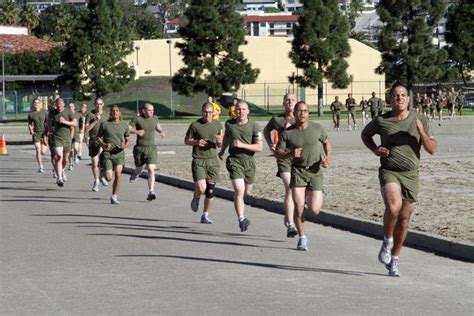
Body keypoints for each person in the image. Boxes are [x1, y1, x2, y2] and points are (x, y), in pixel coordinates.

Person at [361, 83, 437, 277]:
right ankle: (387, 240)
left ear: (409, 99)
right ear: (390, 99)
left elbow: (432, 149)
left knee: (403, 220)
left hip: (411, 174)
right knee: (393, 207)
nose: (400, 98)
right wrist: (375, 149)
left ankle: (394, 259)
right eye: (396, 95)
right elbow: (365, 135)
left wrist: (421, 133)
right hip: (390, 171)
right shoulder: (382, 120)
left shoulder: (420, 119)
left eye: (403, 95)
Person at [275, 101, 331, 251]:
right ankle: (302, 238)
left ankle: (309, 195)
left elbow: (326, 142)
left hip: (315, 171)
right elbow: (278, 153)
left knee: (314, 210)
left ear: (308, 113)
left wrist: (327, 158)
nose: (302, 113)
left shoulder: (317, 128)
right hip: (298, 171)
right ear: (294, 114)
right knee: (299, 207)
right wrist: (289, 153)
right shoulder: (288, 133)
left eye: (305, 111)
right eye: (299, 111)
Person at [218, 100, 263, 232]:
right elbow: (227, 136)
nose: (241, 112)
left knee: (246, 192)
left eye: (243, 109)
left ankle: (241, 207)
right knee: (239, 190)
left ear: (248, 111)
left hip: (249, 162)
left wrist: (242, 145)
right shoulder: (229, 124)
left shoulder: (254, 126)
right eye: (238, 109)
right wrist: (222, 150)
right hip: (234, 161)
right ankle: (241, 219)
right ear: (234, 111)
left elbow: (259, 147)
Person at [263, 93, 297, 237]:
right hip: (283, 157)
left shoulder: (301, 118)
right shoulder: (277, 119)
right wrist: (271, 144)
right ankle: (290, 224)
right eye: (287, 100)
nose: (290, 102)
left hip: (298, 158)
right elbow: (266, 131)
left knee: (298, 190)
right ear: (283, 102)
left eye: (292, 100)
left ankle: (288, 214)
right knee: (289, 187)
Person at [185, 102, 223, 224]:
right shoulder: (195, 125)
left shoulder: (218, 125)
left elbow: (220, 143)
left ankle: (205, 215)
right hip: (199, 159)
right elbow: (186, 140)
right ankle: (196, 197)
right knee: (202, 188)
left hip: (212, 160)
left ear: (213, 113)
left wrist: (219, 142)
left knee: (210, 191)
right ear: (201, 112)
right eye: (205, 112)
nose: (207, 114)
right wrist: (196, 142)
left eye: (210, 112)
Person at [129, 103, 166, 201]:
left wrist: (161, 131)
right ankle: (136, 173)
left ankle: (151, 191)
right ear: (143, 111)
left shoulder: (155, 118)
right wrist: (136, 131)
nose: (152, 112)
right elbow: (128, 128)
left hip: (151, 148)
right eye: (150, 110)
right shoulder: (137, 119)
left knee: (150, 168)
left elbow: (157, 127)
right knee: (139, 168)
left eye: (153, 110)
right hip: (139, 149)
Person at [96, 105, 130, 204]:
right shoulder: (105, 124)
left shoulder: (124, 125)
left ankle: (114, 196)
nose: (115, 112)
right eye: (113, 111)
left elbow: (128, 139)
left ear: (120, 113)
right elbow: (98, 137)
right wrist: (104, 144)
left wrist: (125, 145)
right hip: (107, 154)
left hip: (119, 153)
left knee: (118, 175)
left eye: (117, 111)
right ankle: (102, 171)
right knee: (109, 178)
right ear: (110, 113)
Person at [47, 98, 77, 187]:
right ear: (55, 105)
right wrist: (49, 128)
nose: (59, 107)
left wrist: (65, 122)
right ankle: (59, 178)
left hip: (67, 138)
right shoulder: (52, 112)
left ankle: (62, 170)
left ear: (64, 104)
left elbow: (75, 124)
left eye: (60, 105)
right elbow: (48, 120)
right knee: (59, 156)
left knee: (66, 159)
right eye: (57, 106)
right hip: (57, 138)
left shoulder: (68, 112)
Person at [86, 98, 109, 192]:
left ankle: (102, 176)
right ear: (94, 104)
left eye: (100, 104)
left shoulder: (107, 115)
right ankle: (96, 181)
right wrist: (95, 120)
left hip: (104, 141)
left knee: (103, 162)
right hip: (94, 141)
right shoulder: (90, 114)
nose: (98, 106)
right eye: (97, 104)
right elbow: (86, 129)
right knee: (95, 163)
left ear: (103, 104)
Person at [27, 98, 48, 173]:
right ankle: (41, 166)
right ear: (33, 104)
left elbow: (48, 122)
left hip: (44, 133)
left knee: (43, 151)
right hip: (36, 133)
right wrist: (31, 130)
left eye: (37, 102)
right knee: (38, 149)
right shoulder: (31, 114)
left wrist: (47, 131)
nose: (36, 104)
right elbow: (29, 124)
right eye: (34, 102)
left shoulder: (44, 112)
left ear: (40, 103)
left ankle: (41, 156)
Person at [67, 103, 82, 170]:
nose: (70, 107)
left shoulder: (78, 114)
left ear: (74, 107)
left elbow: (82, 121)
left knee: (76, 148)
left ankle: (76, 156)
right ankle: (70, 164)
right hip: (68, 134)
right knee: (70, 150)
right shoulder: (66, 114)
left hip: (76, 133)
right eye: (69, 106)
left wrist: (81, 129)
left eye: (72, 106)